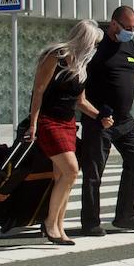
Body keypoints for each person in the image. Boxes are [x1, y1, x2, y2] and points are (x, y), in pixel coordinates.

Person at [78, 6, 134, 235]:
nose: (131, 31)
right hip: (98, 119)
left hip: (125, 120)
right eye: (127, 27)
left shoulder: (131, 46)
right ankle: (90, 222)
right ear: (114, 23)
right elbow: (77, 73)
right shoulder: (95, 45)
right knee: (94, 171)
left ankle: (125, 215)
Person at [24, 20, 110, 246]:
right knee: (71, 170)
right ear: (86, 39)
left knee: (62, 176)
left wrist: (100, 116)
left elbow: (80, 101)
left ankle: (58, 226)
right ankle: (51, 223)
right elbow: (39, 91)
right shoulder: (56, 55)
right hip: (49, 121)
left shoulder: (81, 64)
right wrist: (33, 124)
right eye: (95, 42)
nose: (96, 47)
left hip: (68, 122)